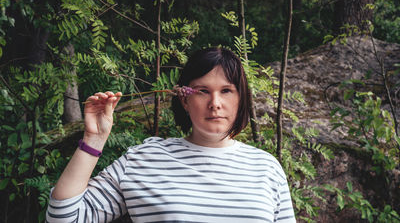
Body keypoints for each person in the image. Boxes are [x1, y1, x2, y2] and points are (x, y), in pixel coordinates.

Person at [46, 47, 296, 223]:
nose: (215, 103)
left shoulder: (267, 168)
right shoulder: (143, 159)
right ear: (185, 100)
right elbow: (65, 217)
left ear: (241, 99)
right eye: (202, 91)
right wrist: (94, 139)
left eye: (227, 91)